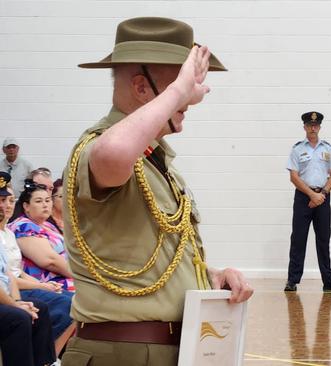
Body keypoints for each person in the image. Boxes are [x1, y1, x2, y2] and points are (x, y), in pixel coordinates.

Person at [60, 17, 253, 365]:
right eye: (183, 82)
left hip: (170, 348)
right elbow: (114, 153)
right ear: (141, 87)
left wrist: (210, 277)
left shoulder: (155, 162)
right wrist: (180, 90)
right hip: (123, 353)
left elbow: (151, 261)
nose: (193, 97)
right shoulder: (98, 147)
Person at [0, 173, 74, 357]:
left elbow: (14, 272)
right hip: (16, 288)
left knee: (76, 301)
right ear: (25, 206)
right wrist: (18, 301)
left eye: (10, 200)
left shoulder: (8, 232)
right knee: (72, 303)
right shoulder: (22, 226)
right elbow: (47, 261)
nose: (7, 206)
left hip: (21, 285)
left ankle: (48, 359)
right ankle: (52, 355)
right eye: (2, 200)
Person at [284, 111, 331, 292]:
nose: (312, 128)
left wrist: (321, 194)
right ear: (304, 127)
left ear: (319, 127)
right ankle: (292, 280)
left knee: (324, 240)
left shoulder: (328, 148)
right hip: (303, 198)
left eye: (316, 125)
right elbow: (293, 177)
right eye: (309, 125)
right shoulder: (297, 149)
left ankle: (328, 281)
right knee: (298, 239)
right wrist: (311, 195)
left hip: (323, 198)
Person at [8, 180, 75, 292]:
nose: (45, 205)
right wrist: (84, 276)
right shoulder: (23, 226)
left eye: (48, 200)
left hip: (67, 275)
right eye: (39, 201)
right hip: (48, 283)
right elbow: (50, 261)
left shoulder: (47, 224)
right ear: (26, 206)